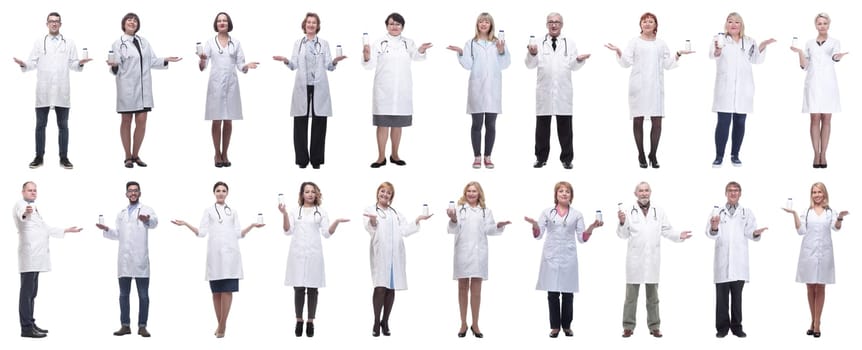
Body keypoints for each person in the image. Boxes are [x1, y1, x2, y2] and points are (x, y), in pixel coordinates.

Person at [171, 181, 264, 338]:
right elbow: (201, 233)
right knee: (216, 292)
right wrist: (186, 224)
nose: (221, 193)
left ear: (227, 193)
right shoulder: (208, 211)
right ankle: (221, 324)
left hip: (231, 255)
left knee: (227, 290)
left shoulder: (233, 212)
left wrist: (252, 226)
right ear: (214, 193)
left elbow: (238, 234)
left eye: (224, 191)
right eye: (218, 190)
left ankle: (222, 326)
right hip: (215, 256)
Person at [604, 12, 692, 168]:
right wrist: (618, 51)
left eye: (650, 21)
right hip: (638, 87)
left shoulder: (661, 44)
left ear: (656, 25)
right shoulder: (634, 42)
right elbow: (626, 63)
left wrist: (678, 54)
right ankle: (641, 154)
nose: (647, 24)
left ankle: (653, 154)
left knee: (657, 122)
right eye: (644, 21)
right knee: (638, 120)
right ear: (640, 25)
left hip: (655, 88)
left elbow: (667, 64)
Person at [13, 12, 93, 169]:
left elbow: (74, 65)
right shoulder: (39, 42)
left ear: (60, 24)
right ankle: (38, 156)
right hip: (44, 90)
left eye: (57, 21)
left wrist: (81, 63)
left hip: (62, 91)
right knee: (40, 125)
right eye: (51, 21)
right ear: (47, 24)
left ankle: (64, 158)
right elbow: (32, 63)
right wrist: (23, 64)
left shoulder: (69, 43)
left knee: (63, 125)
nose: (54, 24)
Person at [524, 181, 601, 338]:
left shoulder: (577, 214)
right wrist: (534, 225)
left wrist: (592, 227)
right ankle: (554, 327)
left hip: (568, 256)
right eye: (561, 191)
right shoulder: (547, 212)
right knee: (552, 293)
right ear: (556, 195)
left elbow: (582, 238)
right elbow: (538, 235)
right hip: (551, 256)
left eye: (567, 191)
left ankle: (566, 326)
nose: (564, 193)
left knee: (568, 294)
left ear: (571, 195)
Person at [616, 181, 691, 338]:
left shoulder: (659, 211)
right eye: (641, 191)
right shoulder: (628, 211)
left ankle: (654, 326)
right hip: (635, 260)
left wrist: (679, 236)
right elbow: (622, 235)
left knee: (653, 297)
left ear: (650, 192)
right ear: (635, 193)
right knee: (630, 298)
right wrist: (622, 222)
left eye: (647, 190)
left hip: (652, 261)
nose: (644, 193)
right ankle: (628, 326)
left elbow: (667, 230)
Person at [274, 13, 346, 169]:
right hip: (303, 86)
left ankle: (316, 160)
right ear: (304, 25)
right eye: (309, 22)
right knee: (300, 123)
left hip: (319, 86)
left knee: (319, 123)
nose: (311, 25)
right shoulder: (298, 43)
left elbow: (329, 66)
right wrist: (286, 61)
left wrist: (335, 61)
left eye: (314, 22)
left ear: (317, 26)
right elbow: (293, 65)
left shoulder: (324, 43)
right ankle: (302, 160)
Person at [109, 12, 182, 168]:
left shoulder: (144, 42)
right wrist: (114, 66)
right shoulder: (118, 43)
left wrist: (166, 60)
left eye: (135, 20)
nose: (132, 22)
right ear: (124, 24)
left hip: (144, 90)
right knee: (126, 121)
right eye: (129, 20)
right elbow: (116, 65)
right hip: (127, 88)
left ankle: (136, 155)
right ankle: (127, 156)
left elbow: (152, 61)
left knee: (141, 122)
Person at [278, 182, 349, 337]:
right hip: (297, 254)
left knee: (312, 289)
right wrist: (283, 214)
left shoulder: (321, 212)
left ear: (317, 194)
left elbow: (326, 233)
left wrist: (336, 223)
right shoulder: (294, 211)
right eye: (307, 191)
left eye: (313, 192)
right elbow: (287, 231)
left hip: (314, 254)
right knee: (298, 288)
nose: (310, 194)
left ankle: (310, 322)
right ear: (302, 194)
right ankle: (299, 320)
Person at [362, 12, 433, 168]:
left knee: (397, 125)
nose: (394, 27)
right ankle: (381, 157)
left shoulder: (408, 43)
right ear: (387, 25)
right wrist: (367, 56)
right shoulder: (379, 43)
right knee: (382, 125)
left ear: (402, 26)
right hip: (383, 91)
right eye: (391, 24)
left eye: (398, 24)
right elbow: (369, 65)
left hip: (402, 91)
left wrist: (421, 50)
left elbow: (417, 57)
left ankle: (395, 155)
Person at [13, 181, 83, 338]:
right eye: (30, 190)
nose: (33, 192)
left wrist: (66, 230)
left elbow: (45, 228)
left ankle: (30, 323)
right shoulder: (21, 205)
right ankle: (26, 328)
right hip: (29, 256)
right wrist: (26, 212)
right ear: (23, 191)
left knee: (32, 293)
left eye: (35, 190)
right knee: (26, 294)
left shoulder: (35, 208)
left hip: (36, 258)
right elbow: (22, 214)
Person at [362, 182, 432, 336]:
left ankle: (385, 321)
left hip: (395, 256)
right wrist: (373, 220)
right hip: (381, 255)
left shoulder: (396, 213)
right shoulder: (370, 210)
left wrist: (418, 220)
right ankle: (376, 321)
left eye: (388, 193)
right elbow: (370, 228)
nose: (385, 195)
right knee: (380, 287)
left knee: (390, 289)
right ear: (377, 192)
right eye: (382, 191)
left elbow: (405, 230)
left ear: (391, 197)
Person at [781, 182, 848, 338]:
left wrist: (840, 218)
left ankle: (817, 323)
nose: (816, 195)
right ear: (811, 194)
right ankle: (813, 320)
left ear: (824, 194)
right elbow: (801, 231)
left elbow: (836, 228)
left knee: (821, 288)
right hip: (808, 254)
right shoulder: (807, 212)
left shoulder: (830, 212)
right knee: (810, 288)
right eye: (814, 192)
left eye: (819, 192)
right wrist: (794, 214)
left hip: (824, 254)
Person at [525, 12, 591, 170]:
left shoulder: (570, 43)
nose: (553, 24)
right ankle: (541, 158)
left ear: (562, 25)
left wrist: (579, 60)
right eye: (550, 22)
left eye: (557, 22)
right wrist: (532, 53)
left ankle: (567, 159)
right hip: (544, 92)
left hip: (563, 92)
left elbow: (573, 66)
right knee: (542, 129)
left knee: (565, 129)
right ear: (546, 24)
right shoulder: (538, 42)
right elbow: (529, 65)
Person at [709, 12, 775, 167]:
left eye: (737, 22)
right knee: (723, 123)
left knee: (740, 122)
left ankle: (735, 155)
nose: (733, 24)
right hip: (725, 88)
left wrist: (763, 45)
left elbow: (756, 60)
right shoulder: (719, 39)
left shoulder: (749, 41)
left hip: (744, 88)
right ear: (726, 24)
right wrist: (718, 50)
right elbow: (713, 55)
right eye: (730, 21)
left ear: (741, 25)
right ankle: (719, 156)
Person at [446, 12, 510, 169]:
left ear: (491, 25)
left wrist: (501, 51)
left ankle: (488, 157)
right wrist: (461, 52)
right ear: (477, 24)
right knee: (476, 123)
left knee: (491, 124)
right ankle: (476, 156)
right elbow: (468, 64)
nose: (483, 24)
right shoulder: (471, 44)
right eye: (481, 21)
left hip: (493, 88)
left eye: (486, 22)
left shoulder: (498, 42)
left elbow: (505, 64)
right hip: (477, 88)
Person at [446, 181, 510, 338]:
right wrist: (453, 219)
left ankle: (475, 323)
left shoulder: (485, 211)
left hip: (478, 254)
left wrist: (499, 225)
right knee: (462, 289)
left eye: (474, 191)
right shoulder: (459, 210)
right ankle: (463, 323)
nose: (471, 193)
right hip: (462, 252)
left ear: (479, 193)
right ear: (465, 193)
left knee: (476, 291)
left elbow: (489, 229)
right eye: (468, 191)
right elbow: (452, 229)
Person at [96, 181, 158, 337]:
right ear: (126, 194)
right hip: (124, 261)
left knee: (143, 295)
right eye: (130, 191)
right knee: (123, 295)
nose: (133, 193)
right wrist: (107, 229)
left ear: (140, 193)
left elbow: (154, 223)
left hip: (140, 260)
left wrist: (146, 220)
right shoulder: (121, 213)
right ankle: (125, 325)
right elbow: (119, 234)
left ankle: (142, 326)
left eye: (136, 190)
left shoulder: (146, 209)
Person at [706, 181, 768, 338]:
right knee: (721, 299)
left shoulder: (746, 212)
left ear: (740, 193)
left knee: (737, 298)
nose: (733, 193)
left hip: (739, 262)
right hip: (722, 262)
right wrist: (714, 227)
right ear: (725, 193)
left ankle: (737, 327)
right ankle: (722, 328)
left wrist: (756, 233)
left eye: (736, 190)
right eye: (730, 190)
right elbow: (710, 233)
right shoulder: (717, 212)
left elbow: (750, 233)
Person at [198, 12, 259, 168]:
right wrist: (202, 60)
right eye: (219, 21)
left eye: (225, 20)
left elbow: (240, 65)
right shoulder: (210, 42)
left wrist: (246, 66)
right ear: (216, 24)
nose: (222, 22)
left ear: (229, 23)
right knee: (216, 120)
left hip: (231, 85)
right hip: (216, 85)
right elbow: (202, 67)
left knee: (228, 120)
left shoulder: (236, 43)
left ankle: (225, 153)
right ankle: (216, 154)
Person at [790, 13, 848, 168]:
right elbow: (805, 66)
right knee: (814, 119)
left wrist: (838, 56)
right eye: (819, 23)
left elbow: (835, 57)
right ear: (815, 25)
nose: (822, 26)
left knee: (827, 119)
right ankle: (816, 154)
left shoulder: (835, 42)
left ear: (829, 25)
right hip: (813, 83)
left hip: (829, 84)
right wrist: (800, 53)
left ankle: (824, 154)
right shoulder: (809, 43)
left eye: (825, 23)